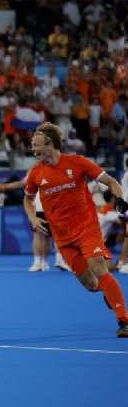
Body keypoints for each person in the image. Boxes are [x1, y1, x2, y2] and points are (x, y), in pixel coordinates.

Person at [23, 123, 128, 337]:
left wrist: (120, 199)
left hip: (87, 228)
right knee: (91, 284)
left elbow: (109, 181)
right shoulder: (35, 173)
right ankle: (109, 291)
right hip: (62, 237)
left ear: (50, 144)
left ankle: (123, 320)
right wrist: (33, 217)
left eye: (36, 145)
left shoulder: (77, 162)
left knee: (99, 268)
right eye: (32, 145)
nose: (33, 149)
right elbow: (27, 199)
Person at [0, 179, 70, 272]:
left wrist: (3, 186)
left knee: (44, 235)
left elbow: (22, 183)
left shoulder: (38, 170)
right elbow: (23, 183)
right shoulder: (38, 170)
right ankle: (50, 261)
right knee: (51, 235)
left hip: (49, 205)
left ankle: (42, 263)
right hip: (49, 205)